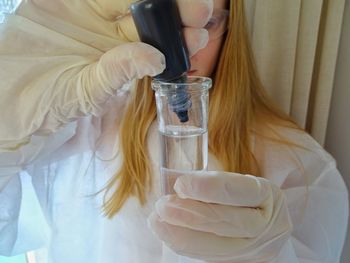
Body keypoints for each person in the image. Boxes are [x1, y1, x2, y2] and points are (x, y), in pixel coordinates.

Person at [0, 0, 348, 262]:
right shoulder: (85, 120)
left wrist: (270, 252)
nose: (182, 49)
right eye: (164, 26)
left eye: (207, 23)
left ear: (231, 27)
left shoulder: (300, 163)